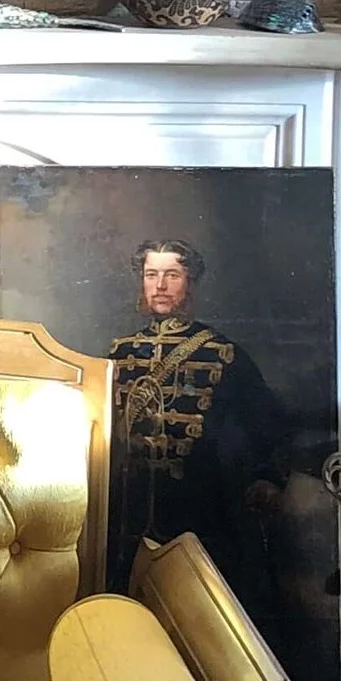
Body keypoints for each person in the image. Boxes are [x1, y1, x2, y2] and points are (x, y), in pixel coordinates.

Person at [109, 238, 288, 603]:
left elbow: (264, 422)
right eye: (151, 275)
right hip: (132, 504)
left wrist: (266, 476)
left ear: (189, 283)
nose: (160, 286)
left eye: (172, 275)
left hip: (199, 505)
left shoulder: (222, 353)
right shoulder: (120, 351)